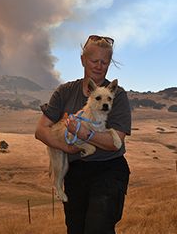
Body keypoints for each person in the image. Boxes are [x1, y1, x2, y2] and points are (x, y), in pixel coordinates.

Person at [35, 35, 131, 234]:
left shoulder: (117, 95)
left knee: (98, 228)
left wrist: (83, 133)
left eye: (104, 62)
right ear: (82, 60)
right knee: (76, 229)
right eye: (94, 60)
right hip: (76, 172)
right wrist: (66, 147)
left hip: (109, 170)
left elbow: (115, 143)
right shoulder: (65, 92)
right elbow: (41, 131)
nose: (99, 66)